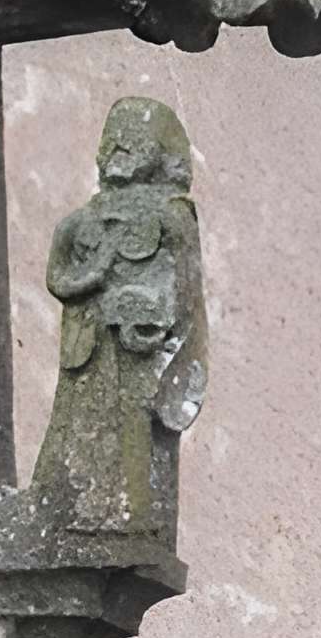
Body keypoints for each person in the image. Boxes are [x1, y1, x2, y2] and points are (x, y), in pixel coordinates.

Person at [31, 97, 207, 541]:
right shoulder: (80, 221)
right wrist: (91, 277)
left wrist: (144, 312)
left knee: (133, 425)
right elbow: (59, 278)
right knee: (75, 422)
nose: (116, 151)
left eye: (132, 142)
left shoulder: (171, 215)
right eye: (112, 142)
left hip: (136, 350)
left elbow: (182, 295)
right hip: (88, 347)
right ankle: (59, 505)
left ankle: (130, 515)